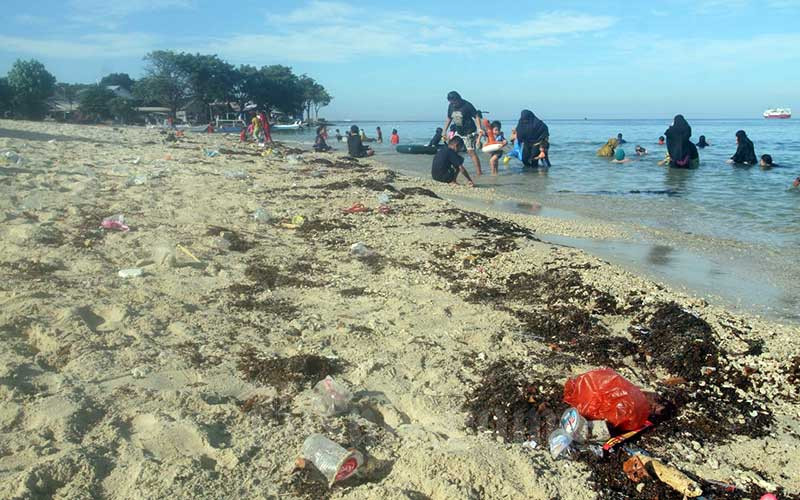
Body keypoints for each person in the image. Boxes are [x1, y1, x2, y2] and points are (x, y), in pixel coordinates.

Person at [442, 91, 484, 175]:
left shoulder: (467, 105)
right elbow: (449, 118)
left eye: (453, 102)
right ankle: (454, 171)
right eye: (450, 102)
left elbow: (476, 116)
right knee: (452, 150)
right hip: (458, 131)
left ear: (458, 99)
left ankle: (479, 173)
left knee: (470, 152)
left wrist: (479, 128)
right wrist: (444, 131)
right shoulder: (451, 106)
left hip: (469, 131)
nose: (452, 104)